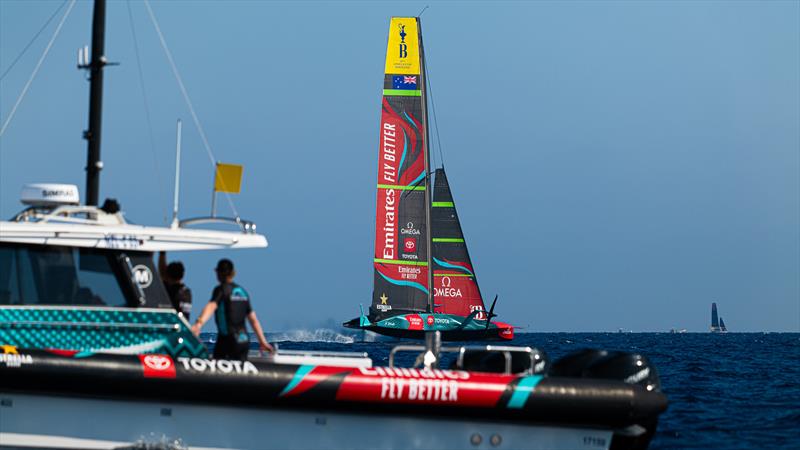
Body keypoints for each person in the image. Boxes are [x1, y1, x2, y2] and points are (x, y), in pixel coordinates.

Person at [191, 258, 274, 360]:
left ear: (219, 273)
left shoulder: (221, 289)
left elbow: (212, 306)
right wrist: (262, 342)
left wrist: (199, 323)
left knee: (219, 372)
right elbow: (253, 319)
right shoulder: (242, 292)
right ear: (233, 273)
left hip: (227, 341)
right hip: (243, 341)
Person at [158, 252, 192, 319]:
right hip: (181, 326)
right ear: (182, 275)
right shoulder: (186, 292)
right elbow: (163, 272)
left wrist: (162, 253)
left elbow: (162, 272)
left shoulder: (170, 290)